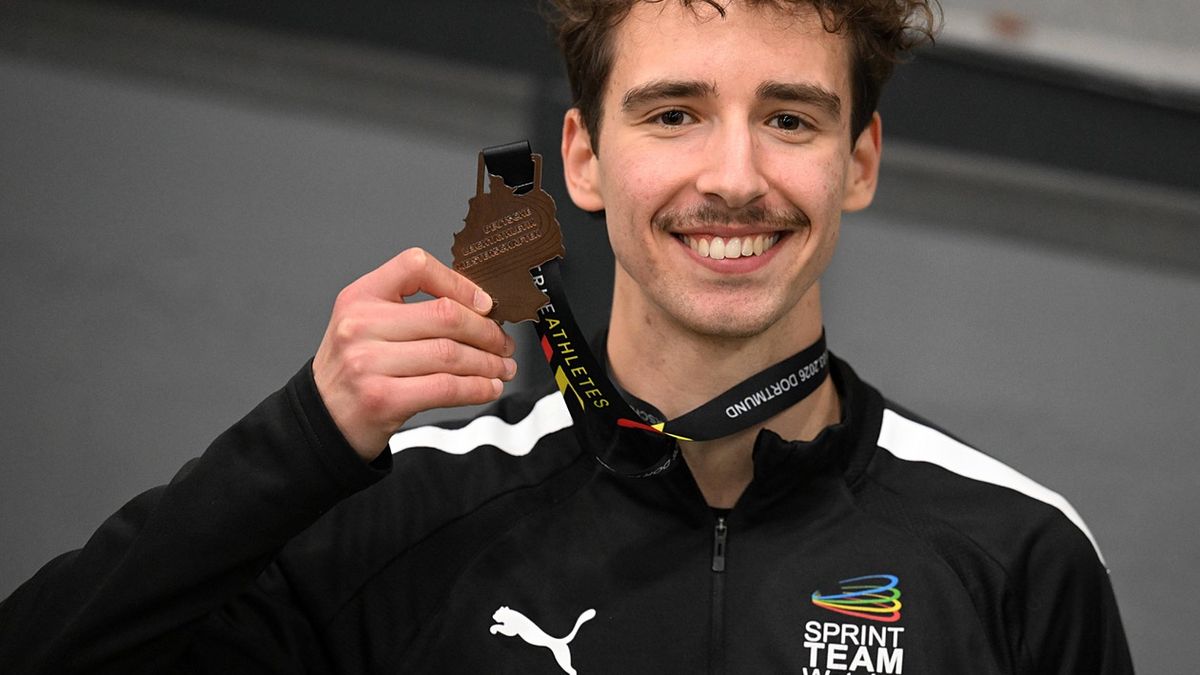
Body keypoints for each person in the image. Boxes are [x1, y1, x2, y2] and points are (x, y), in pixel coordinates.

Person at [0, 1, 1133, 673]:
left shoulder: (1016, 554)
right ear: (584, 159)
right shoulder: (406, 515)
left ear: (860, 162)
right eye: (674, 113)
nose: (734, 176)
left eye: (790, 118)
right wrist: (303, 435)